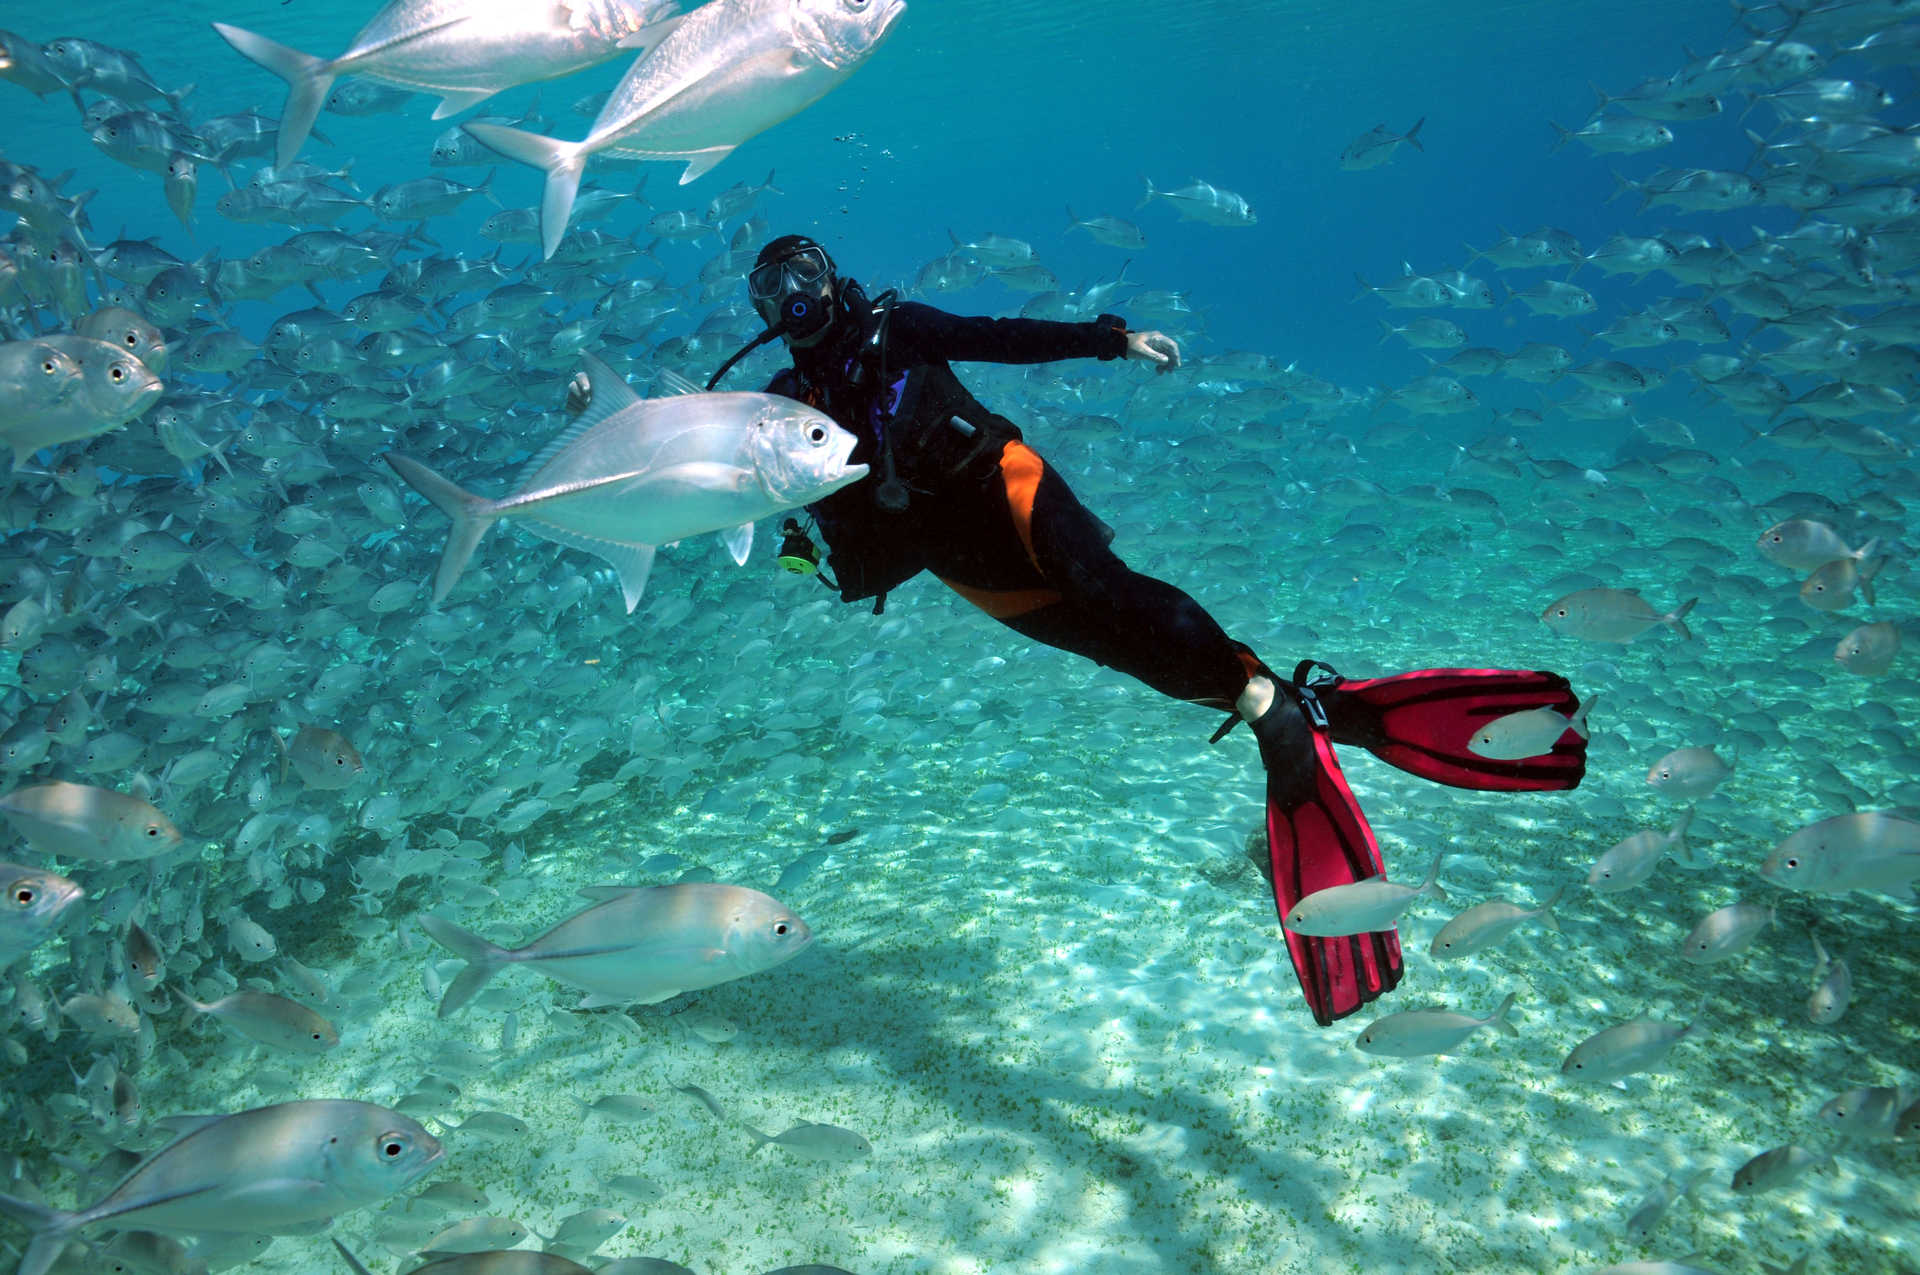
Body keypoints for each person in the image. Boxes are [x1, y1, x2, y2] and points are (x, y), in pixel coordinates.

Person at [708, 235, 1590, 1025]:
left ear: (832, 279)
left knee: (1109, 588)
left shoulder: (895, 331)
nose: (788, 295)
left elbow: (1003, 336)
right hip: (968, 568)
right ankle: (1299, 704)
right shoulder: (784, 398)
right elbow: (777, 490)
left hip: (1005, 490)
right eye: (767, 285)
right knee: (1130, 655)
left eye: (801, 274)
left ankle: (1264, 702)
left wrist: (1111, 337)